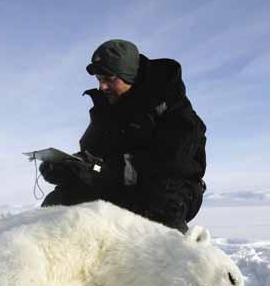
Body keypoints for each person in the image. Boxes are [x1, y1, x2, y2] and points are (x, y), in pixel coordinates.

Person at [39, 39, 207, 233]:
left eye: (109, 79)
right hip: (118, 184)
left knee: (159, 213)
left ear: (129, 76)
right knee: (58, 202)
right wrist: (69, 167)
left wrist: (98, 173)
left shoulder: (172, 108)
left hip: (168, 189)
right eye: (99, 80)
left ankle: (172, 254)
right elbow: (92, 153)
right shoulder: (107, 108)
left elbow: (175, 166)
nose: (102, 87)